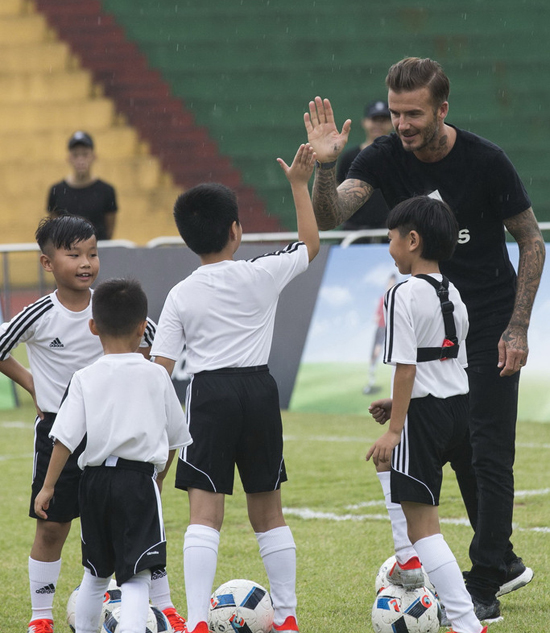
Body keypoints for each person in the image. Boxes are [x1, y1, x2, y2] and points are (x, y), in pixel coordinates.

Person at [303, 57, 545, 620]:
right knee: (459, 443)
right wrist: (323, 167)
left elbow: (531, 242)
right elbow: (334, 212)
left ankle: (485, 576)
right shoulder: (382, 155)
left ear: (442, 109)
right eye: (395, 112)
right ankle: (502, 559)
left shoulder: (486, 161)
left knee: (488, 447)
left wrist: (517, 326)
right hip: (432, 321)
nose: (403, 124)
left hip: (485, 319)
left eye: (414, 113)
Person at [151, 143, 320, 633]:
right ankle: (287, 617)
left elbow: (159, 371)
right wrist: (297, 186)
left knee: (205, 515)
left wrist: (154, 439)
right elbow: (310, 244)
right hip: (259, 391)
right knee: (268, 510)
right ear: (236, 231)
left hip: (208, 396)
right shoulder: (261, 272)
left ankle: (199, 621)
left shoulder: (181, 293)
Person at [0, 215, 185, 633]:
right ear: (48, 263)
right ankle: (41, 617)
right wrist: (34, 384)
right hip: (58, 437)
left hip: (114, 436)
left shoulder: (110, 305)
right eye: (74, 255)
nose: (86, 263)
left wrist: (142, 389)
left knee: (135, 526)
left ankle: (166, 607)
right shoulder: (39, 313)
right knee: (52, 527)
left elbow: (157, 341)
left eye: (93, 253)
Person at [34, 278, 192, 633]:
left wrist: (47, 488)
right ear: (142, 328)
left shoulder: (84, 376)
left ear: (93, 326)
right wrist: (160, 478)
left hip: (92, 483)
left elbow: (64, 439)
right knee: (136, 578)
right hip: (137, 483)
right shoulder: (156, 375)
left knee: (95, 575)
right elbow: (174, 438)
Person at [366, 195, 486, 633]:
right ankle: (407, 561)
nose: (391, 247)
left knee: (425, 528)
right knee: (390, 470)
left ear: (412, 240)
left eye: (392, 239)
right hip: (459, 409)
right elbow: (448, 360)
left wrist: (396, 428)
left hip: (425, 416)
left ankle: (465, 622)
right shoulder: (451, 291)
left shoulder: (401, 292)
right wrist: (397, 406)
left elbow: (406, 366)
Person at [336, 100, 392, 239]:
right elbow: (337, 193)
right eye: (374, 119)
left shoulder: (399, 156)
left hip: (390, 232)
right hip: (354, 232)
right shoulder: (349, 157)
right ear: (365, 122)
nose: (378, 124)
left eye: (383, 120)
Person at [47, 131, 118, 240]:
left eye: (85, 154)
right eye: (75, 155)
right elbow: (54, 228)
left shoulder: (106, 191)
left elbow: (109, 229)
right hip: (67, 253)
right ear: (69, 158)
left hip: (98, 253)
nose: (80, 160)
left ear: (94, 156)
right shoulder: (57, 191)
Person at [363, 272, 397, 394]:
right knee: (373, 355)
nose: (390, 285)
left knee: (378, 352)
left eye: (392, 284)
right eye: (389, 283)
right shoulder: (382, 298)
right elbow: (377, 315)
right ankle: (370, 381)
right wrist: (376, 317)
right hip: (379, 328)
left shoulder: (395, 299)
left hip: (386, 329)